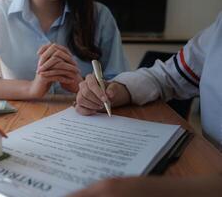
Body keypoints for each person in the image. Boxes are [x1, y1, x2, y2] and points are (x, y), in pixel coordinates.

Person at [72, 11, 222, 197]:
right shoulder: (218, 29)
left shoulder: (99, 15)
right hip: (208, 161)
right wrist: (119, 90)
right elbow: (166, 76)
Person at [0, 0, 128, 100]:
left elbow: (123, 84)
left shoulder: (100, 16)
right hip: (19, 124)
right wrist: (30, 89)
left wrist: (81, 87)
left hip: (88, 124)